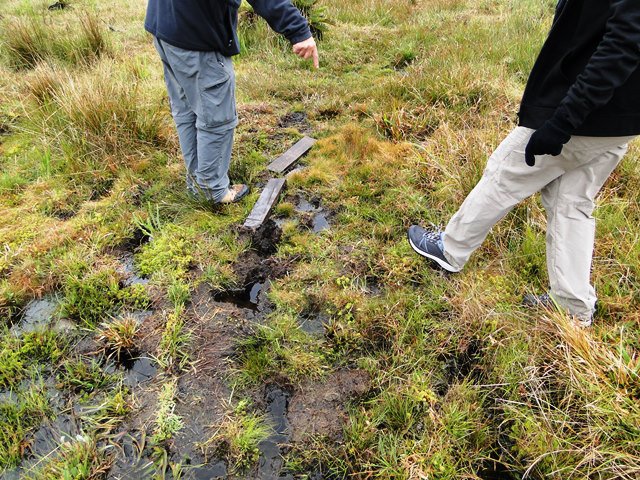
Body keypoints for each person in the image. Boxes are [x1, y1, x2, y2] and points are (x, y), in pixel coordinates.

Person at [407, 0, 640, 327]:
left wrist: (562, 122)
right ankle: (572, 306)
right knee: (572, 203)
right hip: (618, 121)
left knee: (504, 174)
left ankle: (450, 249)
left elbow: (623, 46)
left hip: (582, 114)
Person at [145, 0, 319, 204]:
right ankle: (212, 190)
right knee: (216, 117)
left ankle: (198, 183)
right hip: (196, 35)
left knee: (188, 109)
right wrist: (298, 30)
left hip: (166, 25)